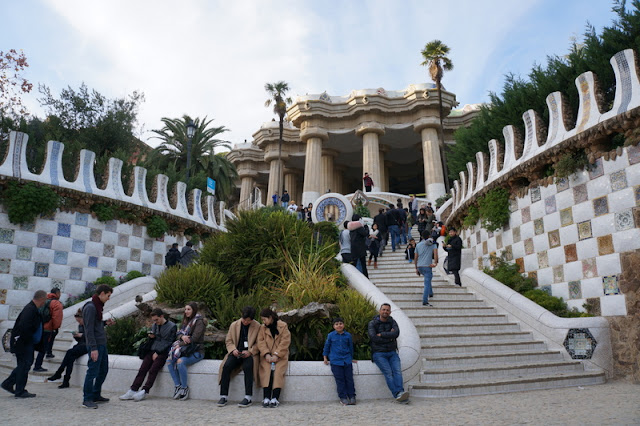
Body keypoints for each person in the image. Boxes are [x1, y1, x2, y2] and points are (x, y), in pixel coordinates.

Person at [120, 308, 176, 402]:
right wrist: (151, 337)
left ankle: (145, 390)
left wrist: (158, 352)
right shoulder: (155, 325)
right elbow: (155, 339)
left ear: (162, 316)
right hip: (153, 349)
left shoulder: (172, 326)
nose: (155, 322)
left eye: (156, 320)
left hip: (163, 352)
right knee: (143, 369)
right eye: (154, 320)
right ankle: (133, 389)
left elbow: (169, 342)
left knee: (153, 370)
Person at [1, 290, 46, 398]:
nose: (45, 302)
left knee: (24, 365)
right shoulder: (30, 310)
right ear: (42, 299)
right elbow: (24, 327)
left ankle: (8, 384)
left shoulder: (31, 308)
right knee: (24, 365)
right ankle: (19, 391)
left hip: (25, 342)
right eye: (45, 300)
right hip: (24, 343)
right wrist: (26, 341)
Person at [217, 306, 261, 408]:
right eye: (244, 320)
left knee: (248, 367)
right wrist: (233, 350)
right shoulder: (234, 325)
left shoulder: (257, 326)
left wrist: (250, 351)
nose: (245, 322)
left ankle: (248, 397)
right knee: (226, 366)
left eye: (248, 321)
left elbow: (260, 343)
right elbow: (228, 340)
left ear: (252, 319)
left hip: (249, 353)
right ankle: (223, 396)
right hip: (236, 352)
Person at [82, 284, 115, 409]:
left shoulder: (97, 306)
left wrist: (105, 323)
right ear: (102, 293)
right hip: (96, 346)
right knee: (92, 372)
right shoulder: (91, 307)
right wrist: (93, 348)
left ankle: (95, 394)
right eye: (108, 295)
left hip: (101, 344)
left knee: (103, 370)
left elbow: (95, 324)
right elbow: (89, 329)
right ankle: (87, 398)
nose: (108, 298)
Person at [368, 304, 409, 403]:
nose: (385, 311)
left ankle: (401, 393)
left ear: (390, 312)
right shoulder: (372, 323)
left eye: (387, 310)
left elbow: (396, 334)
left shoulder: (392, 322)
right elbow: (374, 338)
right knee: (389, 373)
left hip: (392, 352)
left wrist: (382, 334)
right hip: (379, 353)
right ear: (380, 311)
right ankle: (397, 394)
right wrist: (389, 337)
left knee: (397, 372)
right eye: (383, 310)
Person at [167, 302, 206, 401]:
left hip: (196, 351)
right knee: (169, 360)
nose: (186, 311)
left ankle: (184, 388)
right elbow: (178, 333)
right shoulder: (186, 321)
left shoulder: (199, 321)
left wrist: (179, 345)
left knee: (180, 362)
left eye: (189, 309)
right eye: (185, 309)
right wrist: (182, 336)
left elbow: (194, 339)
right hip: (185, 350)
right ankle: (178, 386)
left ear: (194, 310)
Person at [257, 308, 291, 408]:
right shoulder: (262, 328)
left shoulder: (283, 326)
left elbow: (285, 341)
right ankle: (266, 397)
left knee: (278, 374)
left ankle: (275, 398)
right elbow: (260, 342)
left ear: (271, 318)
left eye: (265, 319)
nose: (263, 322)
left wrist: (276, 354)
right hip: (266, 357)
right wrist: (266, 354)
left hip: (280, 356)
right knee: (266, 373)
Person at [47, 308, 87, 388]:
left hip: (87, 345)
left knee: (70, 352)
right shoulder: (80, 326)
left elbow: (92, 337)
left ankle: (59, 373)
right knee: (70, 358)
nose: (79, 323)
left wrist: (81, 335)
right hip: (81, 344)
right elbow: (80, 339)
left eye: (79, 321)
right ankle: (65, 380)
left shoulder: (89, 325)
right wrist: (76, 336)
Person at [323, 318, 357, 405]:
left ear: (344, 325)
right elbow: (327, 346)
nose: (339, 325)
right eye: (337, 324)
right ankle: (343, 397)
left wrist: (351, 358)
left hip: (347, 361)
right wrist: (325, 357)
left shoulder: (348, 335)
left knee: (349, 379)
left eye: (341, 323)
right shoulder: (330, 335)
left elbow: (350, 348)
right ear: (334, 326)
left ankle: (352, 396)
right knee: (340, 380)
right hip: (336, 361)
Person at [33, 287, 63, 371]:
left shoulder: (44, 301)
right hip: (48, 328)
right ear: (57, 293)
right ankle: (37, 366)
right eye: (60, 293)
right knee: (43, 348)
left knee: (38, 346)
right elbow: (57, 318)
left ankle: (33, 363)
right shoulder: (56, 303)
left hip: (40, 327)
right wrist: (55, 328)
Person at [415, 232, 439, 307]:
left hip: (420, 266)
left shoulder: (418, 245)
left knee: (428, 278)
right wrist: (435, 263)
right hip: (427, 266)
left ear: (421, 236)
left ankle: (430, 293)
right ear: (429, 236)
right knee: (427, 282)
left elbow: (415, 257)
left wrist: (416, 268)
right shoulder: (432, 244)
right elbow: (435, 254)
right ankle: (425, 300)